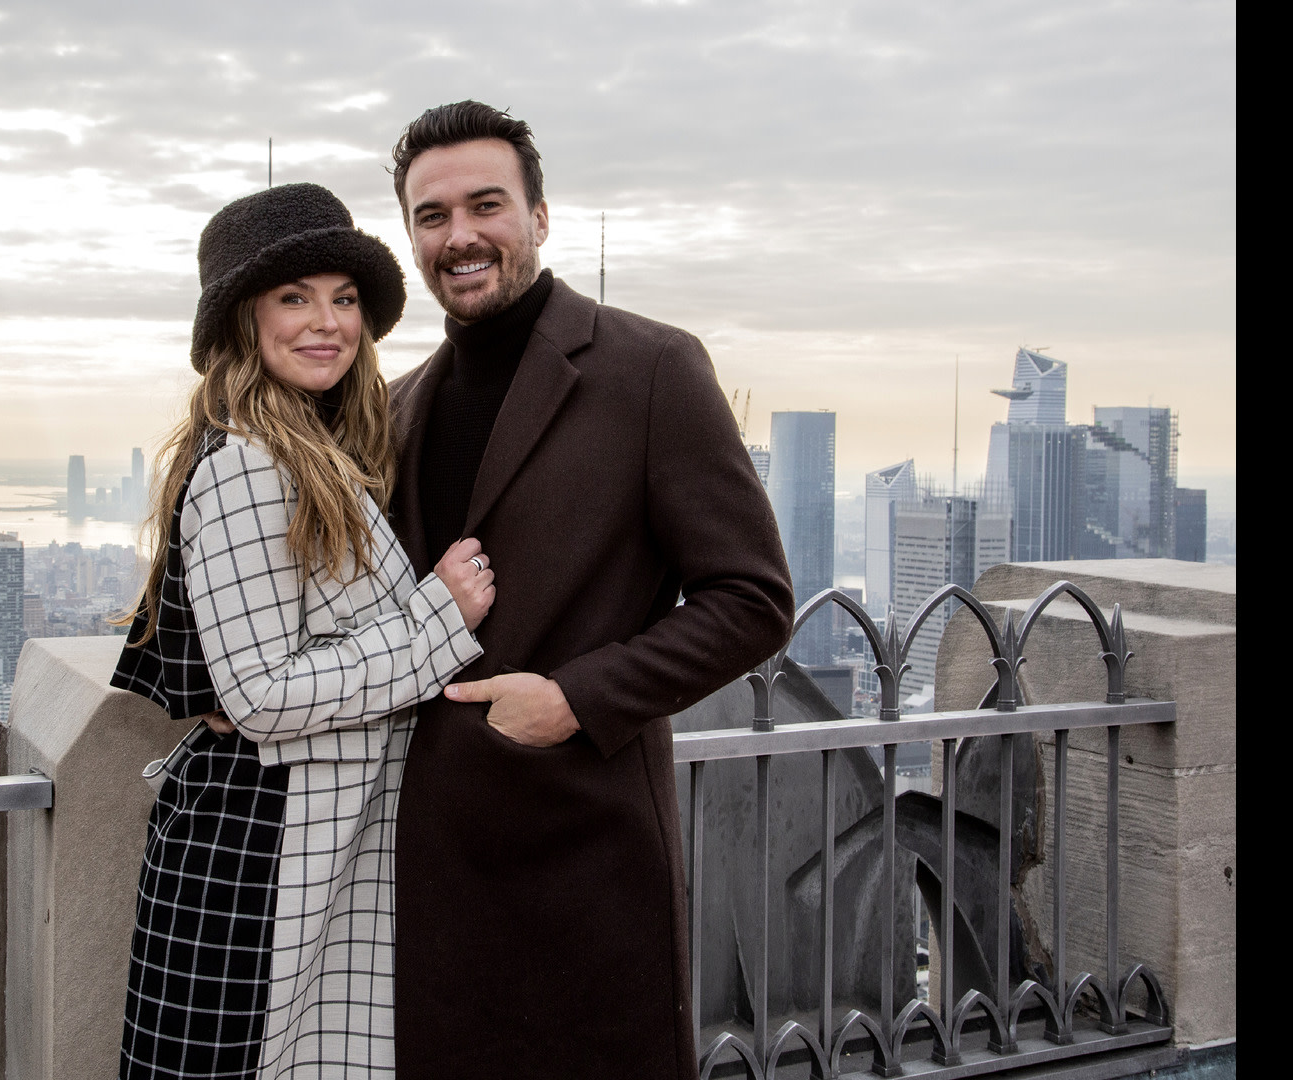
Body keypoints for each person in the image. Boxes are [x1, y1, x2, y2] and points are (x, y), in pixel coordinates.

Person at [383, 101, 797, 1079]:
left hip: (586, 871)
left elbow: (753, 599)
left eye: (487, 204)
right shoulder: (397, 403)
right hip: (426, 892)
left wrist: (576, 699)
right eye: (432, 215)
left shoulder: (650, 369)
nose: (461, 235)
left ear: (539, 216)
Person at [109, 182, 496, 1080]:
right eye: (294, 298)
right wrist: (439, 620)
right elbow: (259, 692)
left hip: (298, 846)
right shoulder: (247, 462)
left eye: (344, 298)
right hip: (256, 860)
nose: (327, 323)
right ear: (243, 321)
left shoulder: (314, 451)